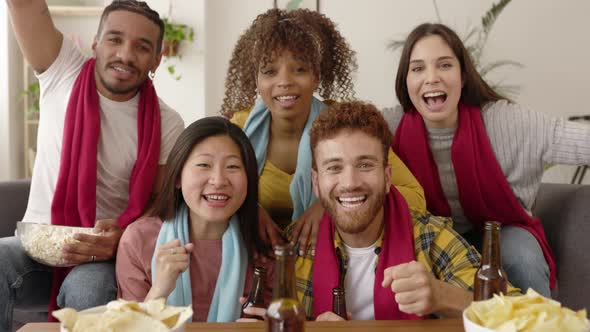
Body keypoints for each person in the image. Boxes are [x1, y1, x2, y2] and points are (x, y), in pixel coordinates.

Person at [241, 101, 519, 322]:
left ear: (387, 177)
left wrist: (441, 296)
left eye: (365, 165)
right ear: (316, 182)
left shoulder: (430, 237)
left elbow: (522, 316)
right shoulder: (292, 250)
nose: (350, 183)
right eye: (334, 167)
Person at [1, 0, 183, 329]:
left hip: (99, 257)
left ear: (157, 59)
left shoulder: (168, 123)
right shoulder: (62, 70)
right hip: (37, 246)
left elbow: (160, 207)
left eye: (142, 47)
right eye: (115, 39)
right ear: (96, 43)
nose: (125, 55)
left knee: (91, 290)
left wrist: (123, 237)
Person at [382, 23, 590, 297]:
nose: (431, 77)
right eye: (418, 68)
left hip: (502, 233)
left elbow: (581, 142)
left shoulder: (506, 122)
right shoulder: (389, 127)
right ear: (405, 81)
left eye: (444, 65)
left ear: (463, 76)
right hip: (431, 238)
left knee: (522, 257)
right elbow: (335, 141)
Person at [221, 8, 425, 254]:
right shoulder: (239, 130)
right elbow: (209, 190)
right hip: (257, 258)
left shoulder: (346, 127)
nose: (284, 81)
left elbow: (416, 198)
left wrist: (331, 204)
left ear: (316, 76)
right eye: (269, 71)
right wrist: (247, 208)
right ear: (256, 80)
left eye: (299, 69)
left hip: (332, 257)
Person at [117, 117, 271, 322]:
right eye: (204, 165)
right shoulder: (139, 240)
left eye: (232, 167)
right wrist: (159, 290)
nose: (218, 180)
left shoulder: (264, 240)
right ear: (178, 177)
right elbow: (128, 328)